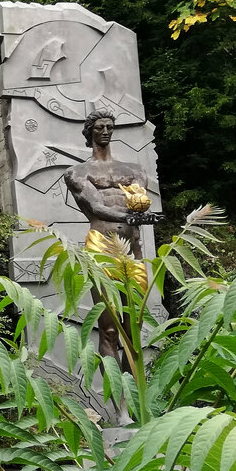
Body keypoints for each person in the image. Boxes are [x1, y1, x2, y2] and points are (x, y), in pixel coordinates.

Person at [63, 111, 160, 364]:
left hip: (132, 247)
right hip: (101, 245)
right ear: (89, 132)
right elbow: (95, 207)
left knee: (133, 332)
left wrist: (143, 215)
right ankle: (117, 404)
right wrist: (130, 217)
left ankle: (134, 398)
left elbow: (140, 202)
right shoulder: (77, 172)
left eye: (109, 127)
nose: (105, 131)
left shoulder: (135, 170)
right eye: (99, 127)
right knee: (109, 329)